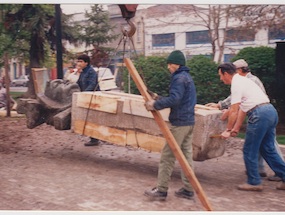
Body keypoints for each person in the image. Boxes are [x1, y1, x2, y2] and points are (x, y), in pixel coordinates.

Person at [206, 59, 284, 181]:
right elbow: (243, 108)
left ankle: (254, 182)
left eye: (220, 76)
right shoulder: (243, 81)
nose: (221, 79)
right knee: (268, 148)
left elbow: (234, 110)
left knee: (249, 149)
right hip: (270, 112)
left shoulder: (236, 83)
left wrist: (228, 129)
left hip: (260, 114)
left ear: (226, 73)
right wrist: (236, 128)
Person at [144, 50, 197, 201]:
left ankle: (161, 190)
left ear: (177, 64)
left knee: (167, 156)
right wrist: (158, 98)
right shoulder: (186, 77)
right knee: (186, 157)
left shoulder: (179, 78)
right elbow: (180, 99)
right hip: (188, 122)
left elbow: (175, 99)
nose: (168, 67)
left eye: (170, 64)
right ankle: (188, 189)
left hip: (179, 123)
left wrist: (155, 104)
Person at [76, 54, 101, 147]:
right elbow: (78, 83)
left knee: (92, 118)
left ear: (86, 63)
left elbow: (92, 85)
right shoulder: (83, 72)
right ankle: (93, 137)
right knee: (88, 117)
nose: (79, 63)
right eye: (78, 61)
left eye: (81, 61)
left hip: (93, 98)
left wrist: (83, 94)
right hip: (86, 97)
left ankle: (94, 139)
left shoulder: (91, 72)